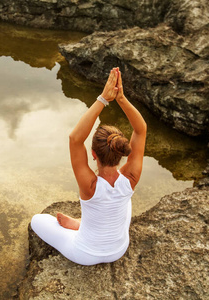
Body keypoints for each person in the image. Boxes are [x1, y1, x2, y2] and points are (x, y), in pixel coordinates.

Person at [31, 67, 147, 266]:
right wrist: (121, 99)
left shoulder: (90, 185)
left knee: (37, 220)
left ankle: (79, 225)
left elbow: (75, 139)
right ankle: (80, 224)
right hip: (119, 249)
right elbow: (141, 129)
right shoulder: (131, 177)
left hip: (85, 254)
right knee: (124, 200)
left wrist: (103, 98)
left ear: (93, 155)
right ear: (120, 153)